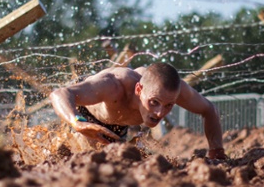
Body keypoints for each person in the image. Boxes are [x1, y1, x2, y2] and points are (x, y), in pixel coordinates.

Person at [49, 62, 227, 160]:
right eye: (154, 102)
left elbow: (209, 110)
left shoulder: (171, 91)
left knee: (122, 164)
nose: (159, 114)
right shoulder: (114, 85)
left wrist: (216, 152)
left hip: (116, 127)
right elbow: (60, 94)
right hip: (84, 115)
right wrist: (77, 122)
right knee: (66, 158)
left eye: (168, 106)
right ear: (139, 90)